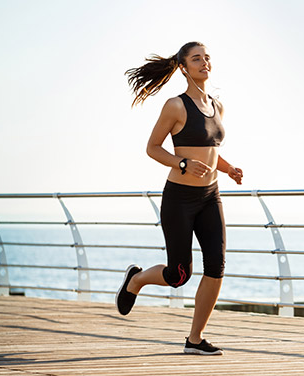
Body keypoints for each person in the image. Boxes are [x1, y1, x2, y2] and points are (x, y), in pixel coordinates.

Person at [116, 41, 243, 356]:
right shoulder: (175, 106)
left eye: (207, 58)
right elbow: (153, 148)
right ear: (184, 68)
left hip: (211, 196)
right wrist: (182, 163)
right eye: (196, 58)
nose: (204, 62)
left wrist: (228, 169)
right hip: (180, 198)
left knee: (216, 266)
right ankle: (137, 280)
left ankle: (195, 339)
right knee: (178, 275)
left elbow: (211, 152)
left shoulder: (218, 106)